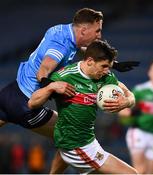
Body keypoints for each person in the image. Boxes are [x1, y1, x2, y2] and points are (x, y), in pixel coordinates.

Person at [28, 40, 137, 174]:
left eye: (109, 66)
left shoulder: (105, 77)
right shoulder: (65, 77)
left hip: (89, 141)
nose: (106, 71)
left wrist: (126, 102)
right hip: (76, 145)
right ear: (90, 61)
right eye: (104, 66)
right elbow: (32, 102)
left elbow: (130, 95)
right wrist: (51, 86)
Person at [0, 8, 103, 137]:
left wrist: (106, 60)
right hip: (26, 105)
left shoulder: (62, 30)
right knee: (74, 137)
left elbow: (79, 45)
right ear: (83, 30)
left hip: (11, 92)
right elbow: (42, 73)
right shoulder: (61, 46)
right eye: (97, 31)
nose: (99, 35)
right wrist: (54, 87)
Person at [119, 58, 153, 174]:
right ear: (149, 72)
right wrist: (132, 112)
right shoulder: (140, 91)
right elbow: (122, 111)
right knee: (140, 170)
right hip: (138, 132)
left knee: (151, 172)